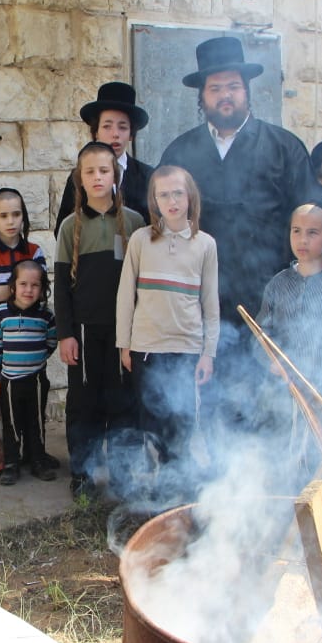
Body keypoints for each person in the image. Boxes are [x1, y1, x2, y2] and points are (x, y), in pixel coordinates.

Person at [159, 36, 322, 436]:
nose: (225, 95)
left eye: (233, 86)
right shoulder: (181, 153)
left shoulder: (285, 148)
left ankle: (271, 489)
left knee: (271, 400)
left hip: (271, 300)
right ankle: (224, 486)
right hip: (206, 302)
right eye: (215, 88)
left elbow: (311, 223)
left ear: (247, 91)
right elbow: (165, 230)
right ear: (202, 96)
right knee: (214, 402)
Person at [55, 141, 145, 497]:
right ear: (80, 178)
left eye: (103, 170)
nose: (97, 177)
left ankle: (123, 475)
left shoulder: (135, 223)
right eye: (89, 171)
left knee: (122, 401)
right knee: (84, 404)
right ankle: (83, 474)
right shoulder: (69, 227)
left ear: (115, 176)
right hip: (83, 331)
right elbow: (61, 286)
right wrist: (65, 334)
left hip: (125, 334)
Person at [115, 165, 219, 466]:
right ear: (154, 200)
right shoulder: (140, 240)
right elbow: (125, 296)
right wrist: (125, 344)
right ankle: (156, 483)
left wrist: (207, 353)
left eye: (178, 193)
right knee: (151, 421)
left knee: (182, 421)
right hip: (147, 347)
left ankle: (179, 485)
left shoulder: (205, 244)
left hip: (186, 348)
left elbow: (210, 304)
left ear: (190, 197)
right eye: (163, 195)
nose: (171, 201)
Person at [257, 203, 322, 477]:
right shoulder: (278, 284)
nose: (302, 240)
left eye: (312, 232)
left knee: (319, 475)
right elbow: (260, 338)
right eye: (296, 231)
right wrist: (272, 362)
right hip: (283, 397)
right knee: (281, 470)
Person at [0, 260, 58, 485]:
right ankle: (11, 463)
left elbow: (52, 341)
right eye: (23, 284)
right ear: (13, 286)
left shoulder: (46, 315)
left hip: (36, 380)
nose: (29, 290)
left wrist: (36, 358)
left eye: (35, 285)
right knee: (12, 423)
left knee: (35, 422)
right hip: (9, 382)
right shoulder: (2, 314)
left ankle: (37, 459)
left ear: (43, 288)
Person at [55, 81, 154, 231]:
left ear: (131, 134)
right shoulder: (81, 176)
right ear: (96, 132)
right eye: (107, 126)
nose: (115, 134)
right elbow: (63, 230)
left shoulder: (147, 176)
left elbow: (155, 228)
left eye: (122, 127)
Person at [0, 187, 48, 326]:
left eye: (16, 214)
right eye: (3, 216)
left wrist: (6, 290)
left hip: (33, 326)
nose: (10, 221)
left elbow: (42, 291)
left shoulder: (34, 251)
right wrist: (27, 288)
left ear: (23, 217)